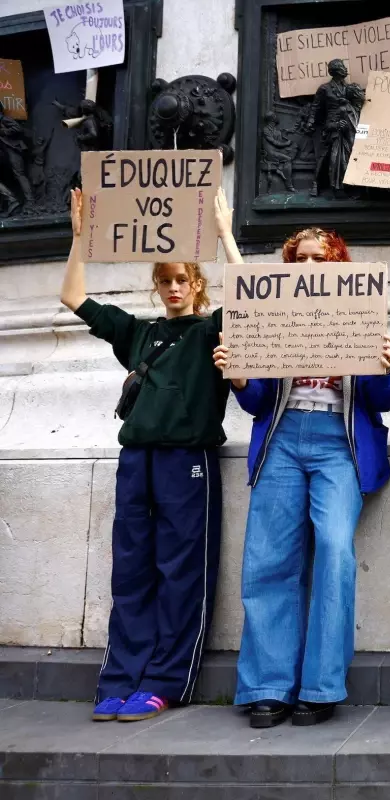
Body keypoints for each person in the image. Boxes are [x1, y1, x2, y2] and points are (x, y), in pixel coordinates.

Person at [61, 187, 239, 723]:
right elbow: (73, 298)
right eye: (165, 281)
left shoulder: (212, 330)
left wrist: (226, 232)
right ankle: (120, 679)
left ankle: (164, 680)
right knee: (133, 570)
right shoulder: (140, 333)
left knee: (181, 569)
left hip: (188, 461)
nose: (174, 289)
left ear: (197, 283)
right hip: (137, 461)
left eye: (183, 280)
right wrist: (77, 239)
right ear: (157, 286)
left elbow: (262, 297)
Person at [213, 228, 390, 728]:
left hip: (339, 446)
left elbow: (382, 401)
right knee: (268, 556)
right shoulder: (273, 316)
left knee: (336, 551)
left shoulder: (363, 311)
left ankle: (320, 687)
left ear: (339, 264)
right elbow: (255, 402)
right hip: (283, 441)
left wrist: (384, 368)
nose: (310, 267)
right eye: (300, 259)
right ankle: (269, 685)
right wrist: (237, 378)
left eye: (320, 258)